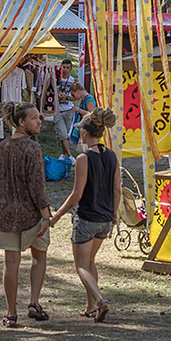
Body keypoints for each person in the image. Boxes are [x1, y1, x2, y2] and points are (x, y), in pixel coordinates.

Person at [50, 108, 121, 323]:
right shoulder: (112, 156)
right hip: (105, 219)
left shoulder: (83, 158)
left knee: (81, 265)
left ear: (84, 133)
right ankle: (90, 307)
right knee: (90, 262)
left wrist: (57, 215)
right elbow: (116, 188)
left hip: (87, 218)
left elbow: (77, 194)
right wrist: (114, 214)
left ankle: (99, 300)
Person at [0, 101, 52, 328]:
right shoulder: (32, 148)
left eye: (39, 117)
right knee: (39, 255)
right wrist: (46, 215)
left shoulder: (2, 147)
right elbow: (38, 185)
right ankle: (34, 303)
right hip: (31, 214)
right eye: (34, 118)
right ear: (21, 122)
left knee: (11, 262)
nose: (39, 122)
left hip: (6, 213)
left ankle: (10, 312)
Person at [53, 59, 76, 157]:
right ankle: (70, 156)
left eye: (67, 68)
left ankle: (63, 154)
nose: (65, 70)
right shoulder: (55, 79)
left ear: (71, 69)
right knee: (62, 135)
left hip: (68, 110)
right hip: (58, 110)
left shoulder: (73, 81)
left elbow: (75, 97)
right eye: (64, 67)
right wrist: (56, 96)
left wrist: (67, 97)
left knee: (66, 135)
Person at [68, 82, 96, 147]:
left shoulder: (89, 100)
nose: (73, 97)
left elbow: (91, 114)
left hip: (89, 126)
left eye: (73, 94)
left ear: (77, 92)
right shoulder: (84, 99)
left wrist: (78, 110)